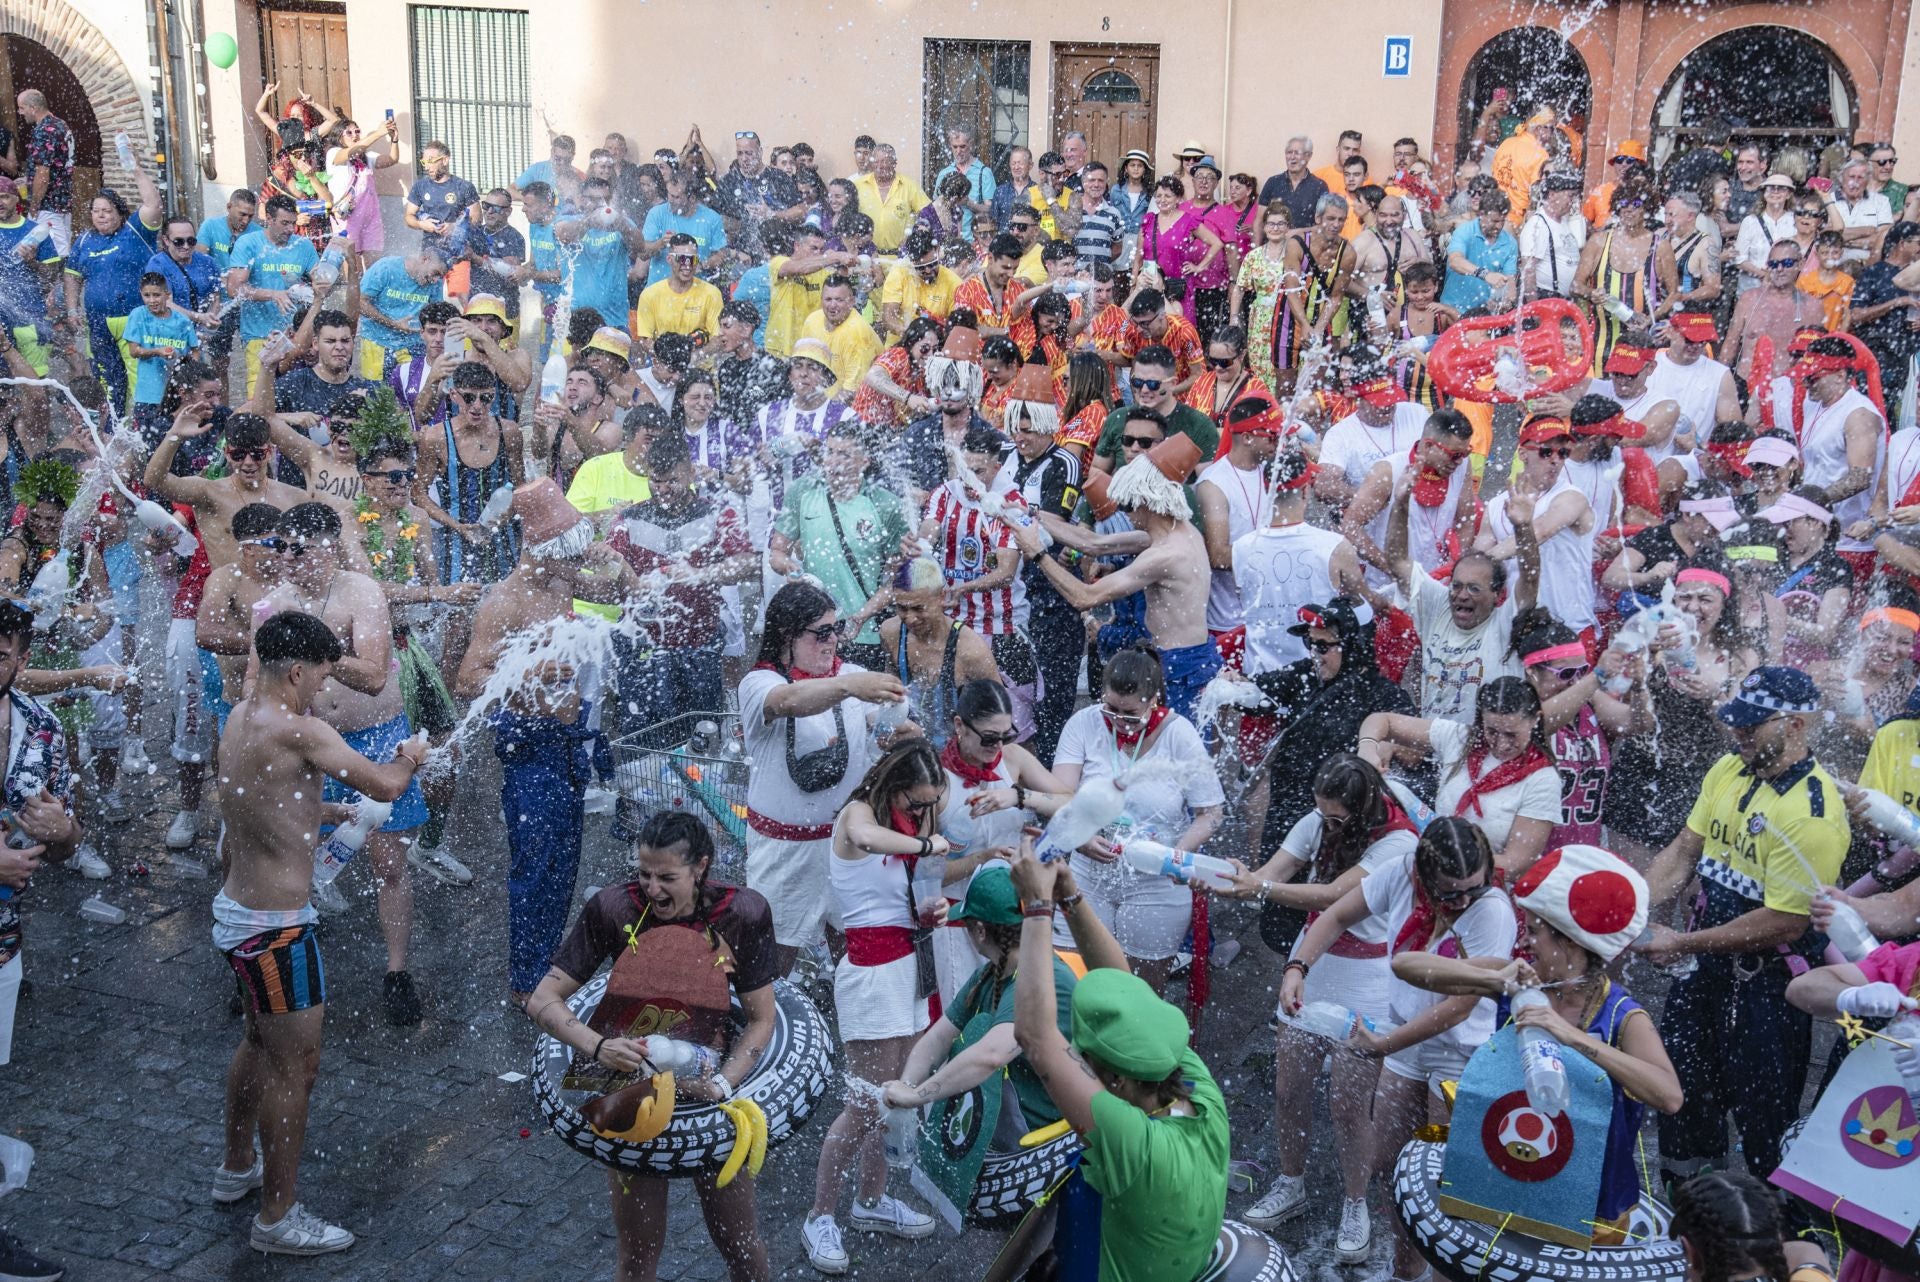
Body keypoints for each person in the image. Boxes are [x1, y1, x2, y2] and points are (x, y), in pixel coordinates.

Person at [214, 610, 428, 1255]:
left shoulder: (242, 718)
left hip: (239, 912)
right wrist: (410, 755)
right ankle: (277, 1217)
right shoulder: (300, 728)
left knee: (258, 1041)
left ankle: (235, 1169)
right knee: (296, 1068)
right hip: (276, 930)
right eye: (324, 677)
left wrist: (323, 807)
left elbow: (258, 797)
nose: (325, 691)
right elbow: (389, 784)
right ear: (299, 669)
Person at [528, 810, 779, 1282]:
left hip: (710, 1085)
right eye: (644, 874)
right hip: (633, 1091)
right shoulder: (612, 909)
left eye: (667, 877)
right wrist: (599, 1046)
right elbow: (542, 999)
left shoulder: (743, 913)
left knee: (740, 1244)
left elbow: (762, 1018)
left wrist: (722, 1085)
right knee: (638, 1255)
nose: (653, 889)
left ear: (701, 867)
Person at [1633, 666, 1851, 1192]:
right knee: (1680, 1099)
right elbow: (1686, 851)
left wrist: (1681, 941)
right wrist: (1628, 909)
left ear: (1796, 725)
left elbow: (1785, 920)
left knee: (1764, 1123)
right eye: (1737, 722)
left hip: (1771, 989)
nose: (1739, 734)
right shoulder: (1729, 769)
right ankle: (1685, 1215)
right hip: (1704, 972)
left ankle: (1770, 1242)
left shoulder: (1814, 811)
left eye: (1753, 726)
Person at [1395, 844, 1684, 1234]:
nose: (1525, 942)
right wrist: (1493, 979)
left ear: (1570, 942)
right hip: (1509, 1182)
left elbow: (1669, 1096)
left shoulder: (1623, 1017)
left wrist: (1569, 1036)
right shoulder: (1519, 978)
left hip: (1592, 1213)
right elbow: (1405, 966)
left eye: (1534, 931)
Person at [1280, 818, 1517, 1282]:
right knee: (1393, 1167)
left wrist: (1382, 1046)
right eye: (1451, 893)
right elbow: (1336, 915)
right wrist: (1297, 967)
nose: (1464, 900)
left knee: (1441, 1182)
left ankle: (1444, 1274)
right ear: (1424, 877)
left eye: (1475, 886)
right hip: (1407, 1040)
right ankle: (1404, 1273)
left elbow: (1458, 1009)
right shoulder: (1402, 871)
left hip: (1459, 1055)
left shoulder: (1492, 910)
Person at [1007, 842, 1231, 1282]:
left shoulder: (1131, 1140)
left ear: (1117, 1082)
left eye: (1082, 1056)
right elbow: (1131, 993)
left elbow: (1035, 1037)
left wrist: (1037, 909)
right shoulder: (1195, 1086)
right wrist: (1069, 897)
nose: (1076, 1060)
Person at [1223, 756, 1415, 1244]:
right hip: (1313, 963)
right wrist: (1233, 879)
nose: (1324, 824)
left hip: (1369, 975)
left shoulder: (1400, 842)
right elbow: (1272, 873)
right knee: (1290, 1090)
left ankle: (1356, 1202)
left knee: (1349, 1104)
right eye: (1320, 813)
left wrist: (1262, 887)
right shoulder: (1319, 818)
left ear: (1364, 808)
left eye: (1335, 819)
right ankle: (1292, 1183)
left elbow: (1332, 897)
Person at [252, 502, 428, 1025]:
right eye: (277, 547)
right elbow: (255, 682)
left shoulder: (361, 591)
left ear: (327, 548)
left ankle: (397, 972)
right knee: (282, 850)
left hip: (373, 734)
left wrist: (318, 648)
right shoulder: (274, 602)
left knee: (388, 863)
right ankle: (265, 964)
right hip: (306, 738)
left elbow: (374, 676)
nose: (285, 558)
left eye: (297, 549)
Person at [453, 481, 620, 1001]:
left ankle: (549, 967)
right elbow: (466, 679)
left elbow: (617, 592)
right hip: (530, 750)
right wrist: (532, 674)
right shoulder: (504, 601)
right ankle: (527, 985)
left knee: (564, 863)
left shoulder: (559, 581)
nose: (575, 562)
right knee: (536, 866)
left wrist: (611, 558)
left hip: (570, 741)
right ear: (537, 550)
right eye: (567, 552)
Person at [802, 739, 946, 1271]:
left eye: (930, 805)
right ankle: (819, 1216)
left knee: (894, 1095)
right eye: (916, 803)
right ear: (892, 786)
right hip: (871, 975)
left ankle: (870, 1201)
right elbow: (864, 838)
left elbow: (913, 884)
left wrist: (961, 874)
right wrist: (930, 847)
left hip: (911, 967)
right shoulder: (858, 814)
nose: (923, 814)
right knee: (864, 1104)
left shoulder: (909, 827)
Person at [738, 582, 903, 971]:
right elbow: (789, 702)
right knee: (771, 965)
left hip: (847, 846)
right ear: (786, 634)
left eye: (838, 628)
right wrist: (848, 687)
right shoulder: (760, 682)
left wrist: (896, 731)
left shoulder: (852, 675)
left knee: (855, 957)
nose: (834, 640)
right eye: (822, 632)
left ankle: (854, 1028)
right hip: (785, 852)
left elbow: (880, 730)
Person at [1047, 646, 1223, 993]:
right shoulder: (1084, 724)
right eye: (1109, 708)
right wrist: (1079, 835)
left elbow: (1211, 813)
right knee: (1071, 982)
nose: (1116, 720)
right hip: (1088, 873)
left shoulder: (1179, 734)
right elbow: (1058, 795)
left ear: (1154, 700)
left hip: (1154, 883)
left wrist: (1176, 857)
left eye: (1129, 714)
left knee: (1139, 994)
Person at [1017, 434, 1218, 722]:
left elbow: (1083, 597)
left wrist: (1037, 553)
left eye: (1127, 505)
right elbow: (1092, 544)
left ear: (1147, 501)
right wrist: (1027, 512)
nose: (1125, 512)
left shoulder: (1166, 554)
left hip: (1179, 666)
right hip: (1181, 659)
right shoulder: (1173, 532)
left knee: (1175, 755)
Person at [882, 862, 1076, 1140]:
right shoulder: (992, 972)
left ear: (981, 931)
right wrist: (905, 1085)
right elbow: (938, 1038)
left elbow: (991, 1055)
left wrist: (917, 1096)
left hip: (1058, 1137)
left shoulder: (1043, 979)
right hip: (1022, 1129)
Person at [603, 433, 757, 727]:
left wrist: (702, 575)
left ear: (689, 472)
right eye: (655, 480)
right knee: (644, 743)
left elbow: (749, 563)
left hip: (698, 644)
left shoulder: (716, 513)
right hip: (642, 648)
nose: (662, 490)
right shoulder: (629, 519)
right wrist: (613, 568)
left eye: (671, 481)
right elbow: (610, 580)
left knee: (699, 739)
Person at [1360, 675, 1561, 873]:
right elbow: (1382, 720)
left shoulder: (1543, 779)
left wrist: (1444, 859)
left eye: (1511, 734)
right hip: (1432, 871)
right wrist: (1367, 749)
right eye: (1491, 731)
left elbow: (1514, 864)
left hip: (1487, 889)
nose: (1501, 744)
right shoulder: (1461, 739)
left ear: (1536, 719)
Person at [1389, 471, 1539, 722]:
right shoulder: (1437, 607)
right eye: (1456, 585)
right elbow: (1397, 560)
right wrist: (1401, 505)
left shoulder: (1506, 623)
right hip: (1434, 744)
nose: (1461, 595)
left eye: (1474, 588)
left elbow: (1531, 578)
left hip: (1486, 747)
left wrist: (1523, 528)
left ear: (1496, 595)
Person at [61, 166, 164, 412]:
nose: (101, 216)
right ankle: (112, 429)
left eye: (107, 211)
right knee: (107, 383)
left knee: (140, 381)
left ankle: (142, 427)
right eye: (96, 211)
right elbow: (72, 277)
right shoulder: (84, 241)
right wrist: (73, 310)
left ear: (120, 213)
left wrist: (137, 170)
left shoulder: (136, 232)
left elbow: (153, 205)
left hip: (134, 319)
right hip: (98, 324)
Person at [876, 558, 998, 750]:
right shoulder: (890, 633)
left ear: (942, 597)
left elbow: (997, 715)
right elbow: (890, 690)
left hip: (959, 756)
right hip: (910, 752)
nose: (909, 618)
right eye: (901, 608)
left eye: (918, 608)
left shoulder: (970, 650)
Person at [227, 194, 319, 396]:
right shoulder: (249, 244)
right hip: (259, 335)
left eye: (293, 223)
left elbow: (320, 283)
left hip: (295, 337)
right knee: (259, 399)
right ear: (268, 219)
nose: (290, 229)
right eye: (284, 223)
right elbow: (234, 288)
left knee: (295, 399)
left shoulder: (303, 246)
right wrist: (272, 294)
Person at [16, 89, 75, 255]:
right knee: (61, 248)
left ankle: (61, 282)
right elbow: (59, 165)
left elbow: (43, 174)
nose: (20, 113)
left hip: (48, 205)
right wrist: (28, 180)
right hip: (63, 200)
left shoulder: (44, 130)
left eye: (22, 108)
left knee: (53, 254)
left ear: (33, 108)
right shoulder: (61, 124)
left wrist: (34, 204)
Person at [403, 140, 480, 263]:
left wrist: (456, 227)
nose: (426, 167)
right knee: (430, 281)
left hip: (459, 253)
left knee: (458, 282)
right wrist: (421, 224)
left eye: (431, 161)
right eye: (424, 162)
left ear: (445, 160)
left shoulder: (464, 187)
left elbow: (476, 219)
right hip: (430, 252)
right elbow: (408, 216)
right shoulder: (420, 186)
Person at [1440, 192, 1518, 312]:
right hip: (1454, 308)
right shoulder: (1464, 231)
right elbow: (1455, 262)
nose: (1499, 226)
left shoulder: (1510, 242)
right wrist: (1486, 275)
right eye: (1495, 221)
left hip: (1484, 313)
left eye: (1503, 221)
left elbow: (1510, 282)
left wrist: (1506, 302)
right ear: (1481, 215)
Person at [1260, 135, 1331, 229]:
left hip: (1305, 241)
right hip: (1275, 242)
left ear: (1308, 156)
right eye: (1289, 152)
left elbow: (1322, 225)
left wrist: (1299, 237)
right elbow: (1259, 221)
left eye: (1297, 153)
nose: (1292, 157)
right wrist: (1258, 244)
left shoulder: (1319, 186)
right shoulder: (1273, 182)